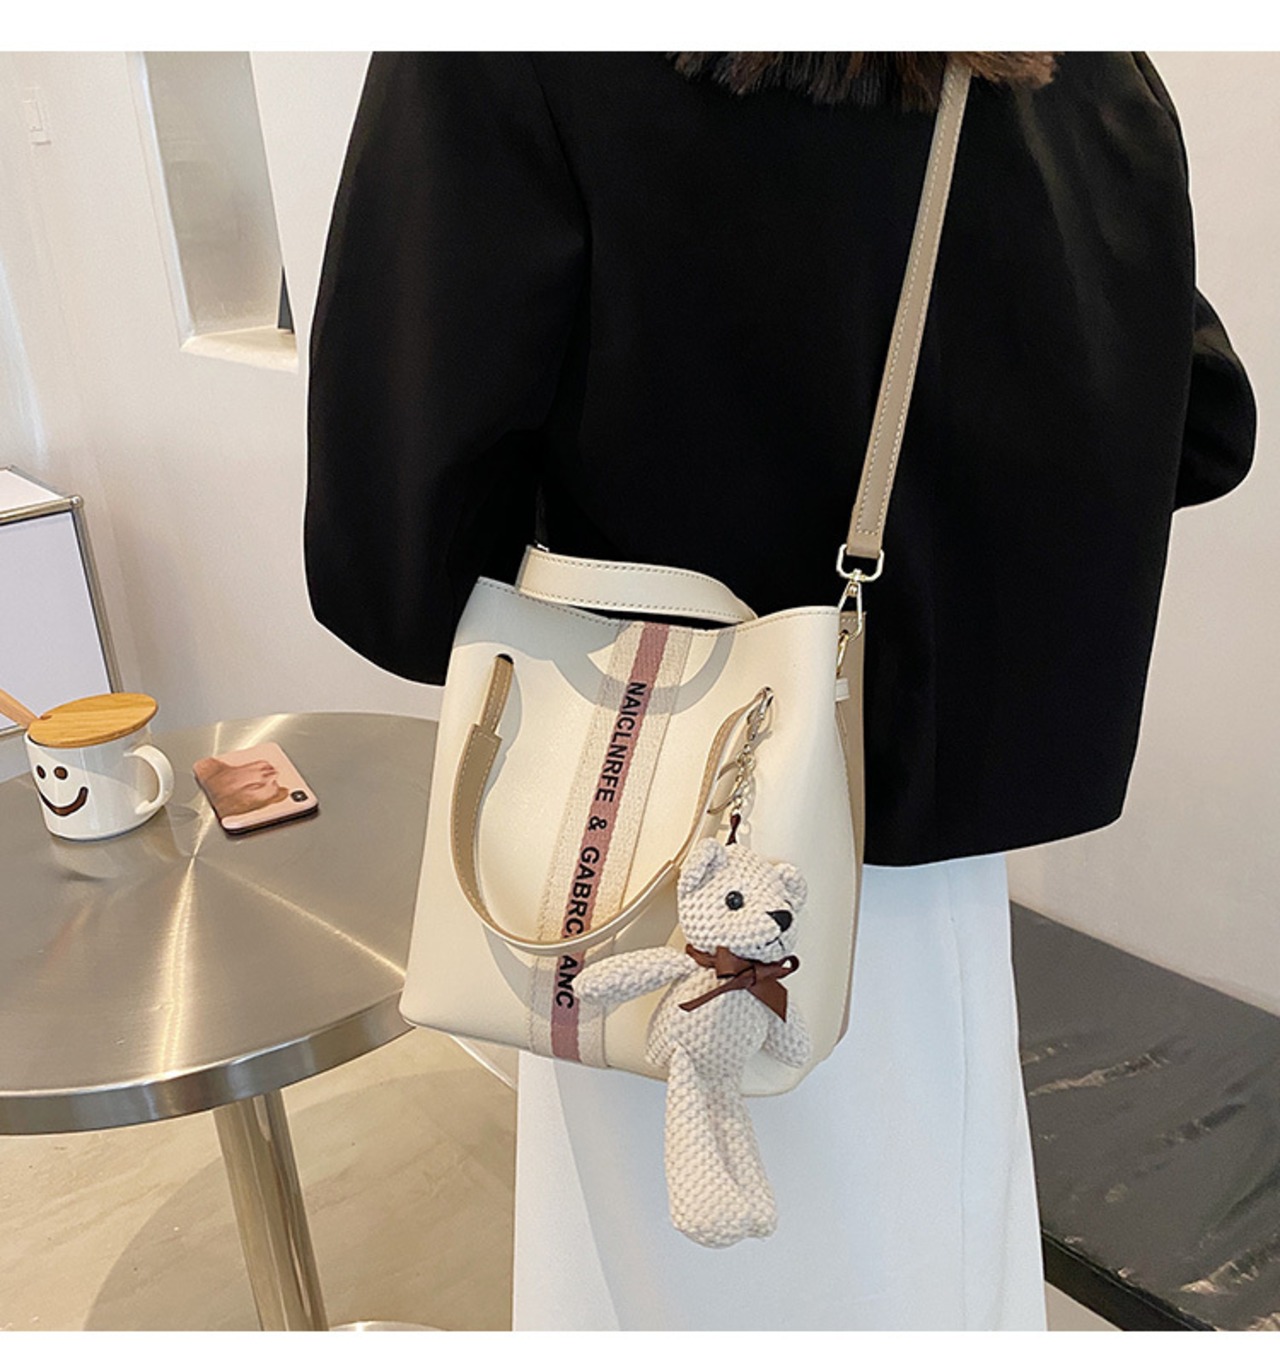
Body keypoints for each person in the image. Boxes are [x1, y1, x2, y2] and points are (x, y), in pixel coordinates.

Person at [304, 52, 1256, 1330]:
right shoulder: (1078, 65)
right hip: (931, 867)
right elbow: (1201, 427)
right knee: (935, 1240)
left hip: (652, 818)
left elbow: (393, 546)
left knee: (677, 1275)